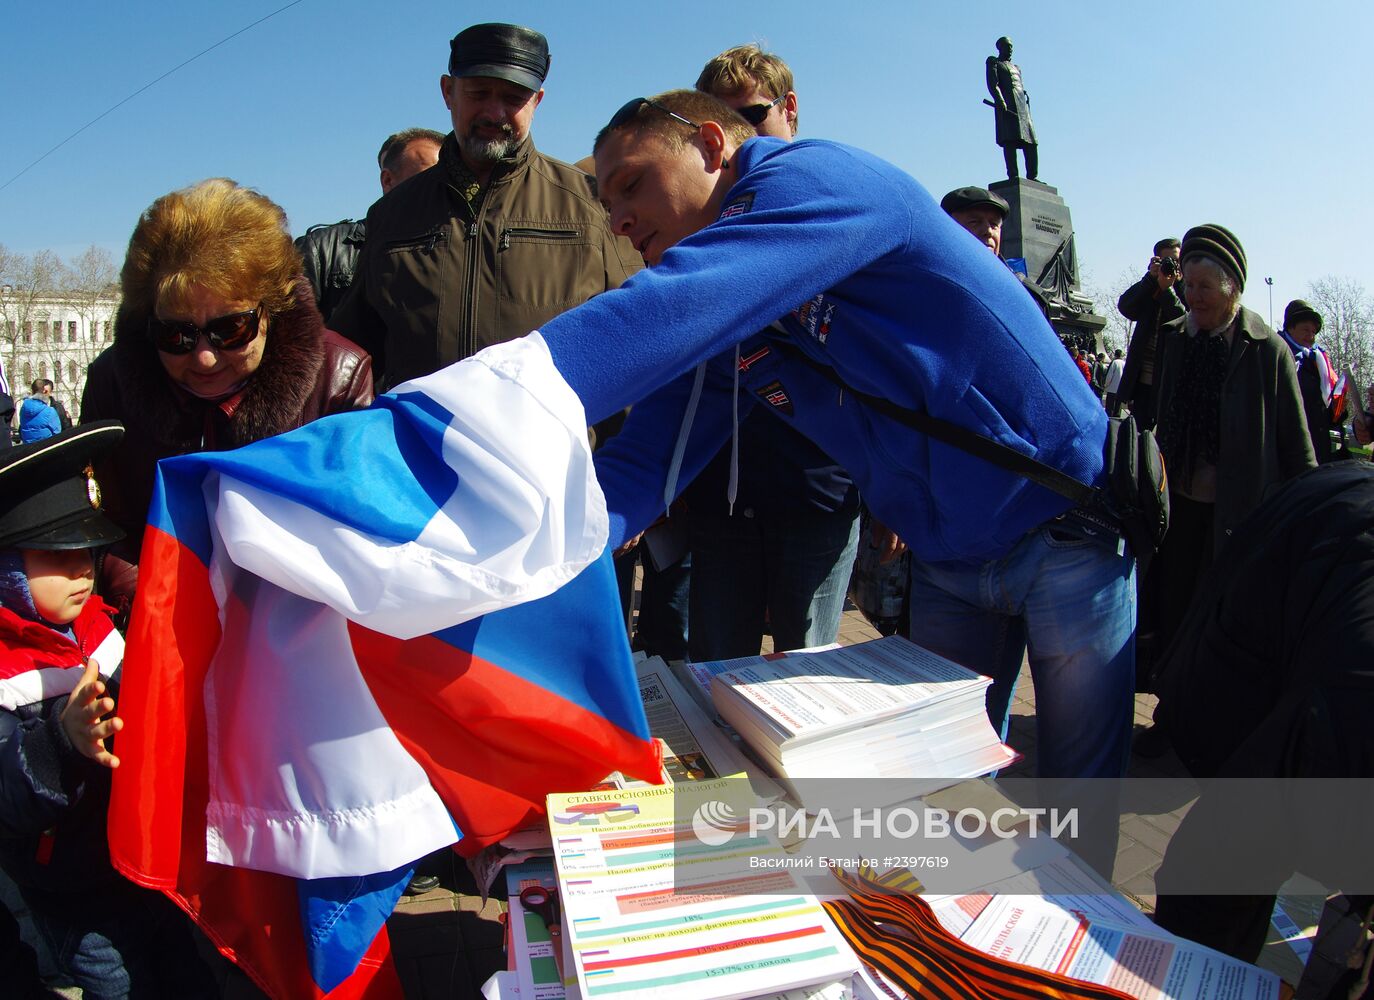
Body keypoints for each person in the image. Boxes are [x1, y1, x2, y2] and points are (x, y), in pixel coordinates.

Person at [538, 89, 1136, 786]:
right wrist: (541, 547)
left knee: (1079, 791)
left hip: (1061, 527)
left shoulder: (812, 179)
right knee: (948, 789)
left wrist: (485, 400)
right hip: (947, 558)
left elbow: (664, 308)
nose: (618, 222)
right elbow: (648, 457)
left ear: (709, 146)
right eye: (607, 205)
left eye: (631, 185)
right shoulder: (736, 305)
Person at [80, 178, 374, 621]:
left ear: (269, 309)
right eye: (174, 335)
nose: (204, 357)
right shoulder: (113, 381)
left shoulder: (339, 375)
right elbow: (112, 526)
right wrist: (149, 608)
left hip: (293, 628)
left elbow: (355, 533)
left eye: (231, 329)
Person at [0, 422, 217, 998]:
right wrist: (58, 743)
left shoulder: (98, 625)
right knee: (120, 985)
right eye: (55, 554)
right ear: (8, 569)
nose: (81, 570)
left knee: (182, 970)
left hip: (139, 857)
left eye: (87, 552)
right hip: (73, 888)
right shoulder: (4, 668)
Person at [330, 21, 640, 389]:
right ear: (448, 92)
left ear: (537, 101)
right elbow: (349, 357)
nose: (494, 113)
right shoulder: (391, 215)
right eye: (479, 93)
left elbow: (633, 341)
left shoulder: (591, 204)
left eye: (513, 98)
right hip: (423, 443)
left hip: (546, 446)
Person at [1149, 461, 1374, 966]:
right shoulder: (1336, 725)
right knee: (1210, 897)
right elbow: (1214, 863)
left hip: (1304, 590)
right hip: (1278, 612)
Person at [682, 44, 859, 661]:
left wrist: (888, 501)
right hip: (720, 505)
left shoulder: (840, 209)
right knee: (714, 680)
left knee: (807, 684)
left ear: (790, 110)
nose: (736, 144)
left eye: (753, 118)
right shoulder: (695, 232)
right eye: (718, 127)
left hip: (818, 495)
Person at [1136, 225, 1316, 754]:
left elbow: (1296, 445)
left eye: (1203, 288)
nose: (1193, 297)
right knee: (1172, 614)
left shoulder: (1267, 351)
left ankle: (1215, 730)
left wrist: (1307, 516)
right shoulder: (1174, 339)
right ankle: (1169, 720)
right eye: (1188, 286)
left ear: (1233, 288)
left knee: (1224, 625)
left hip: (1239, 515)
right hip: (1178, 508)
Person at [295, 127, 444, 323]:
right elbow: (289, 336)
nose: (437, 188)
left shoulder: (458, 251)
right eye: (427, 177)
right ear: (387, 180)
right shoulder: (322, 248)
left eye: (444, 180)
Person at [940, 185, 1052, 315]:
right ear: (949, 228)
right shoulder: (924, 285)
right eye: (974, 222)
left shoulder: (1026, 296)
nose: (988, 231)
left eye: (994, 224)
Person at [1112, 237, 1187, 428]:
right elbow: (1126, 307)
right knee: (1139, 440)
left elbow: (1185, 322)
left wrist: (1169, 290)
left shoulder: (1187, 290)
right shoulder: (1150, 286)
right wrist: (1149, 279)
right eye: (1166, 262)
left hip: (1171, 384)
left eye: (1176, 262)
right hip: (1143, 383)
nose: (1172, 266)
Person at [1278, 298, 1340, 464]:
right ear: (1290, 328)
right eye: (1306, 330)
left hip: (1320, 451)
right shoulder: (1278, 357)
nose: (1311, 336)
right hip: (1290, 452)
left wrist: (1339, 406)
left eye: (1313, 332)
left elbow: (1330, 411)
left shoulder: (1319, 362)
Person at [986, 37, 1038, 180]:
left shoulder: (1017, 67)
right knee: (1009, 140)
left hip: (1022, 107)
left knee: (1031, 142)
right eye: (1007, 46)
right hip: (1007, 104)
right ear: (1000, 48)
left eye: (1011, 47)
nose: (1010, 49)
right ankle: (1013, 175)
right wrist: (1001, 101)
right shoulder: (994, 62)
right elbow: (993, 84)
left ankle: (1032, 177)